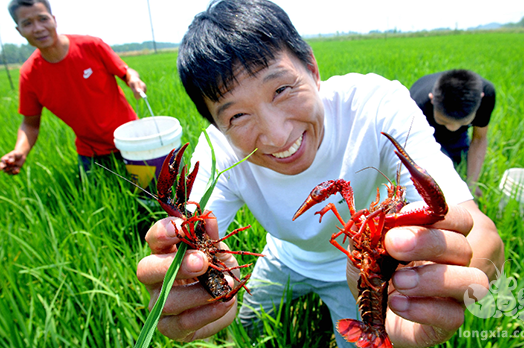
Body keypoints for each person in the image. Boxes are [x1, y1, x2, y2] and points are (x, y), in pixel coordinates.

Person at [136, 1, 504, 347]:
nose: (278, 135)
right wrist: (186, 281)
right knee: (243, 324)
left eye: (281, 89)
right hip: (281, 258)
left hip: (357, 278)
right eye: (236, 116)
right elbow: (194, 231)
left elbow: (476, 226)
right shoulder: (218, 153)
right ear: (216, 125)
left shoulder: (377, 106)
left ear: (312, 69)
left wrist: (456, 275)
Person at [0, 0, 147, 175]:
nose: (38, 28)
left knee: (148, 196)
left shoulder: (91, 46)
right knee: (96, 199)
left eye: (43, 19)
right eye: (27, 23)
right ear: (19, 30)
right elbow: (30, 124)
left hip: (131, 139)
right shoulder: (30, 74)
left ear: (54, 19)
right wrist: (20, 151)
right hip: (90, 153)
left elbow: (126, 72)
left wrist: (134, 79)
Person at [409, 70, 496, 197]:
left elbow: (478, 139)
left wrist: (472, 185)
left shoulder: (486, 96)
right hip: (426, 130)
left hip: (458, 138)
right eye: (444, 121)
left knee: (457, 168)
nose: (452, 128)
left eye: (464, 122)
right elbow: (411, 151)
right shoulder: (417, 105)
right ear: (432, 99)